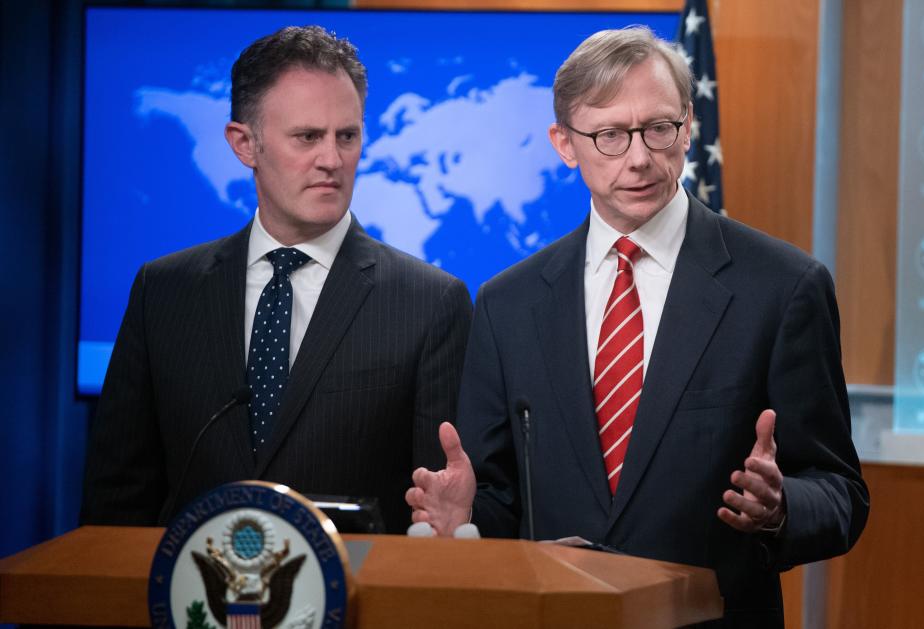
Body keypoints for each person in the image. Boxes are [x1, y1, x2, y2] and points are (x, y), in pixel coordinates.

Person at [406, 26, 868, 626]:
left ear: (688, 126)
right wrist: (463, 519)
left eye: (659, 128)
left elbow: (840, 492)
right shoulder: (507, 304)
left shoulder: (782, 287)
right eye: (609, 135)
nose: (640, 157)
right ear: (564, 144)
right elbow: (501, 503)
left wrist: (780, 507)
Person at [80, 26, 472, 534]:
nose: (332, 159)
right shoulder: (164, 291)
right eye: (308, 137)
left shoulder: (430, 302)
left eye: (347, 136)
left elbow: (437, 503)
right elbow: (116, 500)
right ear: (245, 144)